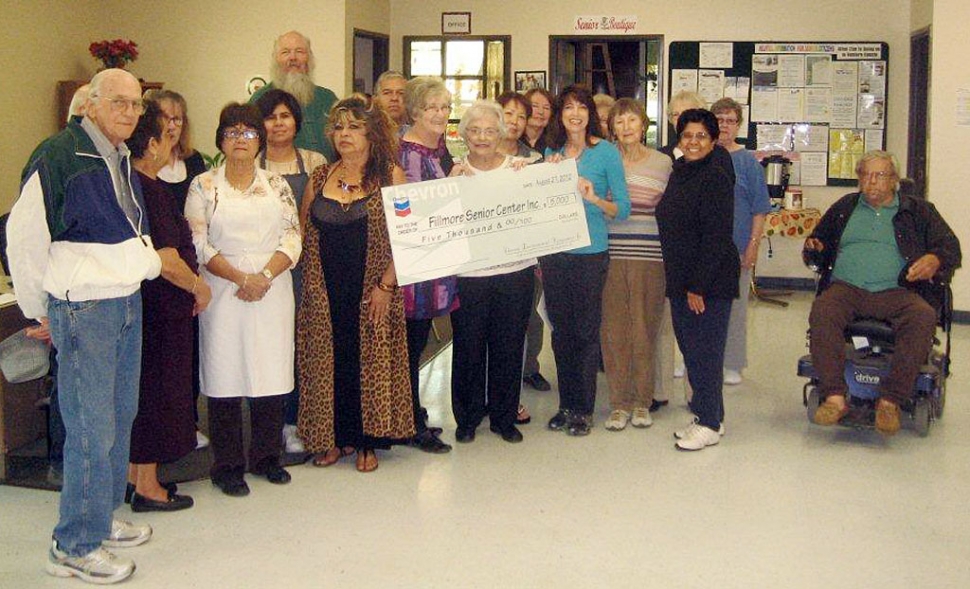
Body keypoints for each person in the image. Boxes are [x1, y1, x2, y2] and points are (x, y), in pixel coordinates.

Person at [8, 68, 184, 584]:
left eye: (136, 105)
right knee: (89, 427)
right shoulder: (58, 156)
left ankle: (101, 519)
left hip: (125, 301)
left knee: (119, 414)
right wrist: (39, 307)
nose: (130, 113)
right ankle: (73, 545)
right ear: (90, 105)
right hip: (84, 309)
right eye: (119, 103)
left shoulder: (121, 157)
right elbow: (24, 239)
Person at [185, 103, 301, 496]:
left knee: (270, 371)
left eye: (249, 133)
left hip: (272, 287)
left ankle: (267, 457)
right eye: (232, 132)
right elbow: (198, 241)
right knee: (224, 374)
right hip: (222, 290)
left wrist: (263, 276)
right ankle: (228, 465)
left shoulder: (278, 186)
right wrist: (238, 277)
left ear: (260, 142)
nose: (241, 140)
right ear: (220, 140)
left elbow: (293, 238)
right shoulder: (203, 185)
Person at [804, 150, 961, 436]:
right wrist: (813, 247)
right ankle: (835, 397)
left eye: (880, 175)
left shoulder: (919, 211)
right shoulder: (844, 207)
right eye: (865, 175)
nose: (872, 182)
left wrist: (934, 260)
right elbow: (817, 244)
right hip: (846, 288)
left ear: (894, 180)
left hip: (897, 290)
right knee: (823, 310)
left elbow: (951, 248)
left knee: (922, 316)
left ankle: (891, 401)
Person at [297, 94, 415, 472]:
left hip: (373, 289)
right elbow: (301, 233)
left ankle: (367, 441)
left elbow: (408, 237)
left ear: (372, 132)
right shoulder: (320, 176)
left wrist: (386, 286)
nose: (344, 134)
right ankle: (334, 439)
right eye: (338, 127)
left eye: (354, 127)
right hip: (325, 291)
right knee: (330, 364)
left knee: (367, 362)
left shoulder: (391, 176)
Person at [127, 99, 212, 513]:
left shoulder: (136, 184)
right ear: (152, 145)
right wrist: (198, 287)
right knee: (158, 396)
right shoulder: (149, 189)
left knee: (146, 393)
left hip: (152, 310)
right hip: (161, 310)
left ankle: (134, 475)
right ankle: (147, 485)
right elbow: (166, 258)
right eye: (165, 134)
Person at [542, 84, 631, 436]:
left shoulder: (606, 152)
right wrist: (539, 173)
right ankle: (565, 405)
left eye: (581, 107)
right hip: (554, 252)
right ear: (559, 115)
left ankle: (583, 409)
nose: (575, 113)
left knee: (584, 331)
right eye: (567, 108)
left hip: (590, 253)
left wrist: (594, 198)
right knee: (561, 332)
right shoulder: (552, 151)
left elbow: (621, 209)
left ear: (589, 114)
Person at [449, 100, 535, 444]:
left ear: (500, 133)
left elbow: (544, 204)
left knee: (509, 346)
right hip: (468, 276)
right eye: (474, 130)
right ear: (463, 134)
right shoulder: (452, 171)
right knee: (468, 348)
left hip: (514, 272)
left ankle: (503, 417)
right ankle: (467, 418)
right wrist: (447, 186)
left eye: (489, 130)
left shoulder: (521, 168)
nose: (482, 137)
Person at [656, 108, 739, 451]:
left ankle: (709, 423)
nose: (693, 142)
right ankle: (708, 414)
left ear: (714, 140)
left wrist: (697, 287)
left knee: (705, 354)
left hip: (707, 283)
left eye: (701, 136)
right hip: (681, 277)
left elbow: (716, 237)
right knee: (692, 352)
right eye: (687, 136)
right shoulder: (683, 171)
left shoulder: (716, 175)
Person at [255, 88, 327, 454]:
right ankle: (266, 421)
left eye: (285, 116)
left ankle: (296, 419)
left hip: (305, 267)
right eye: (270, 117)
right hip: (260, 266)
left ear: (296, 121)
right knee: (267, 344)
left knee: (301, 343)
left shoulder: (314, 162)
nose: (279, 123)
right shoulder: (249, 163)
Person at [144, 88, 210, 451]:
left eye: (178, 118)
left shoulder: (195, 162)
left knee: (187, 354)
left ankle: (188, 421)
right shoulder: (140, 170)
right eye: (164, 118)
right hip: (158, 272)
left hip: (188, 268)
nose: (172, 125)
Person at [601, 98, 672, 431]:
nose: (626, 127)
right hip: (610, 253)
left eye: (632, 120)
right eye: (619, 121)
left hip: (650, 257)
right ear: (611, 127)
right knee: (614, 331)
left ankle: (643, 401)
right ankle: (619, 403)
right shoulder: (603, 159)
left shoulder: (663, 163)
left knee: (645, 329)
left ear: (644, 125)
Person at [397, 76, 457, 453]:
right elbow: (415, 209)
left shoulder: (437, 150)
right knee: (409, 343)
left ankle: (412, 414)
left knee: (416, 343)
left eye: (445, 107)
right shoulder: (410, 154)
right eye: (432, 107)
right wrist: (455, 184)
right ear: (416, 111)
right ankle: (407, 422)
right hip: (414, 268)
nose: (440, 114)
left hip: (434, 264)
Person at [710, 97, 771, 386]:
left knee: (734, 309)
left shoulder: (748, 162)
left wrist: (753, 246)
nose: (724, 125)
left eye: (730, 120)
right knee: (699, 307)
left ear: (738, 125)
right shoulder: (701, 155)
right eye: (719, 119)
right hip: (703, 249)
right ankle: (695, 359)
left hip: (736, 248)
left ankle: (732, 363)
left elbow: (760, 208)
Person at [496, 91, 542, 424]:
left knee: (516, 332)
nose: (514, 121)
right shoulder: (475, 154)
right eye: (508, 113)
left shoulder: (536, 159)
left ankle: (510, 400)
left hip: (523, 261)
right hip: (480, 263)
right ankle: (481, 399)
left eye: (521, 116)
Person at [250, 30, 339, 161]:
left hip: (326, 178)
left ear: (309, 59)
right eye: (285, 52)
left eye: (299, 51)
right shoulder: (260, 99)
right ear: (276, 59)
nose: (293, 58)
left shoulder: (327, 99)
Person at [519, 88, 556, 393]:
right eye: (535, 106)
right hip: (512, 237)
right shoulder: (509, 147)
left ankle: (530, 367)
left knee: (537, 309)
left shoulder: (554, 148)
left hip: (544, 239)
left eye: (546, 107)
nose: (541, 112)